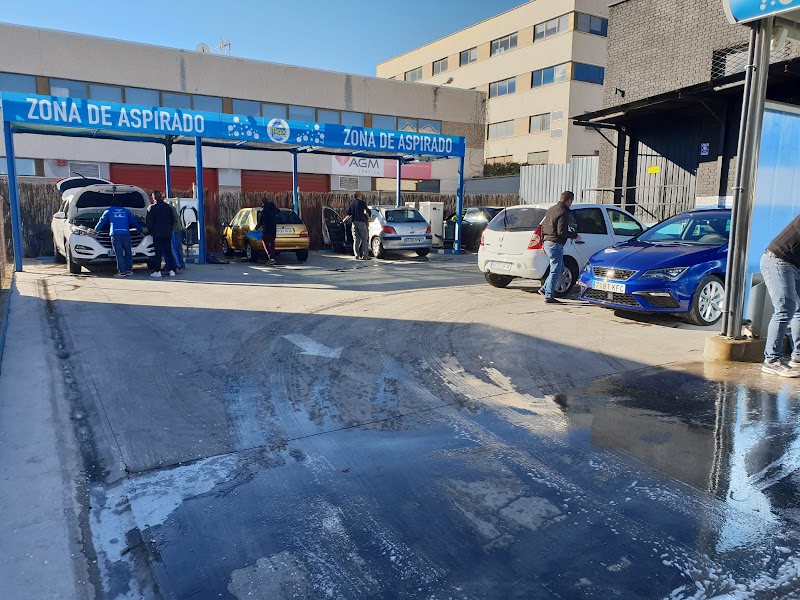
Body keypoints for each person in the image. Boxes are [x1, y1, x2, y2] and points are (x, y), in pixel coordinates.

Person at [760, 214, 800, 377]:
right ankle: (771, 360)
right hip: (778, 260)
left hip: (796, 265)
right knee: (785, 308)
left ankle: (797, 358)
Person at [539, 191, 581, 304]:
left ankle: (544, 289)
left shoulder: (551, 209)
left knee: (559, 266)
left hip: (548, 242)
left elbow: (543, 227)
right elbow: (561, 232)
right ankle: (549, 296)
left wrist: (543, 241)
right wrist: (574, 235)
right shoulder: (563, 212)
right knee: (556, 270)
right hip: (555, 243)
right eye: (571, 201)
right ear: (569, 201)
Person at [93, 199, 143, 276]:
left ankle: (122, 271)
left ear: (112, 205)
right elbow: (133, 222)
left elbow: (102, 221)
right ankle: (129, 270)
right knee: (128, 252)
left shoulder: (109, 211)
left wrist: (95, 230)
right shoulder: (126, 211)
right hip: (126, 233)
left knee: (118, 253)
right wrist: (141, 229)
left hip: (115, 233)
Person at [146, 191, 178, 278]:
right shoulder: (168, 207)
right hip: (167, 232)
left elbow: (149, 222)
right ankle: (171, 270)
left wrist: (149, 231)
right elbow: (172, 220)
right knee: (168, 251)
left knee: (158, 253)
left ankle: (157, 271)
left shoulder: (151, 208)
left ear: (153, 198)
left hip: (157, 233)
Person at [348, 191, 371, 260]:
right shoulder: (362, 203)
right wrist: (368, 216)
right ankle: (365, 255)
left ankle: (356, 255)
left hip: (354, 223)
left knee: (356, 239)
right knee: (364, 239)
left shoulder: (351, 203)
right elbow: (368, 210)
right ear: (359, 196)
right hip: (361, 222)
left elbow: (348, 213)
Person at [257, 198, 279, 265]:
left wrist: (255, 228)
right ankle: (273, 258)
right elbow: (278, 211)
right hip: (273, 230)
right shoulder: (273, 210)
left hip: (266, 230)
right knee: (272, 243)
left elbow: (260, 222)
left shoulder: (263, 212)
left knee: (266, 243)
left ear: (262, 203)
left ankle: (271, 258)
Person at [169, 201, 185, 273]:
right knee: (177, 247)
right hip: (177, 228)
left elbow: (174, 219)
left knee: (176, 247)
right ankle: (180, 263)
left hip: (175, 230)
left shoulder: (170, 208)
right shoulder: (172, 208)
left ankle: (179, 263)